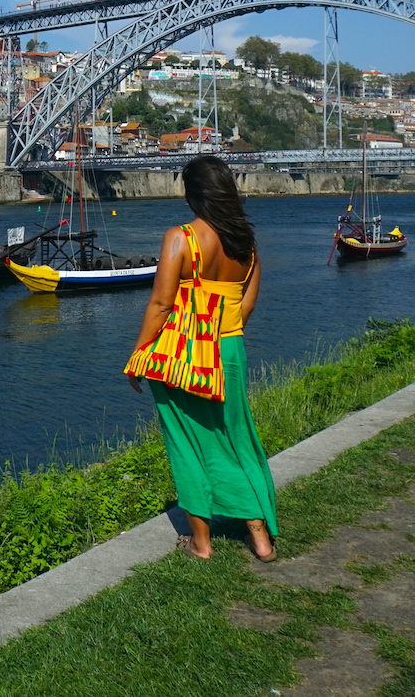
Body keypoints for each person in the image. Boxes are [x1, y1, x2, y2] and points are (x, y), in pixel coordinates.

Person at [128, 154, 277, 562]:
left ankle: (201, 542)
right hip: (229, 349)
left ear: (192, 195)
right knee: (235, 438)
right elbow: (245, 308)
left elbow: (161, 304)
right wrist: (221, 337)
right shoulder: (246, 245)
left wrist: (139, 354)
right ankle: (259, 535)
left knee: (187, 443)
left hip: (183, 355)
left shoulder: (181, 238)